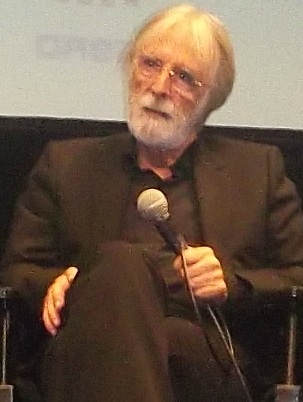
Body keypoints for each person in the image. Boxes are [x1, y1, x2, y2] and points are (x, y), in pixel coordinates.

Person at [2, 4, 303, 402]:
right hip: (83, 348)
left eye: (184, 77)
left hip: (206, 359)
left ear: (210, 98)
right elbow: (18, 269)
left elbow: (297, 275)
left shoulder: (257, 170)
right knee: (120, 266)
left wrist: (233, 285)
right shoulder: (66, 164)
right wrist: (51, 283)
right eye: (150, 64)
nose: (159, 87)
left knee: (164, 328)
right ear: (129, 69)